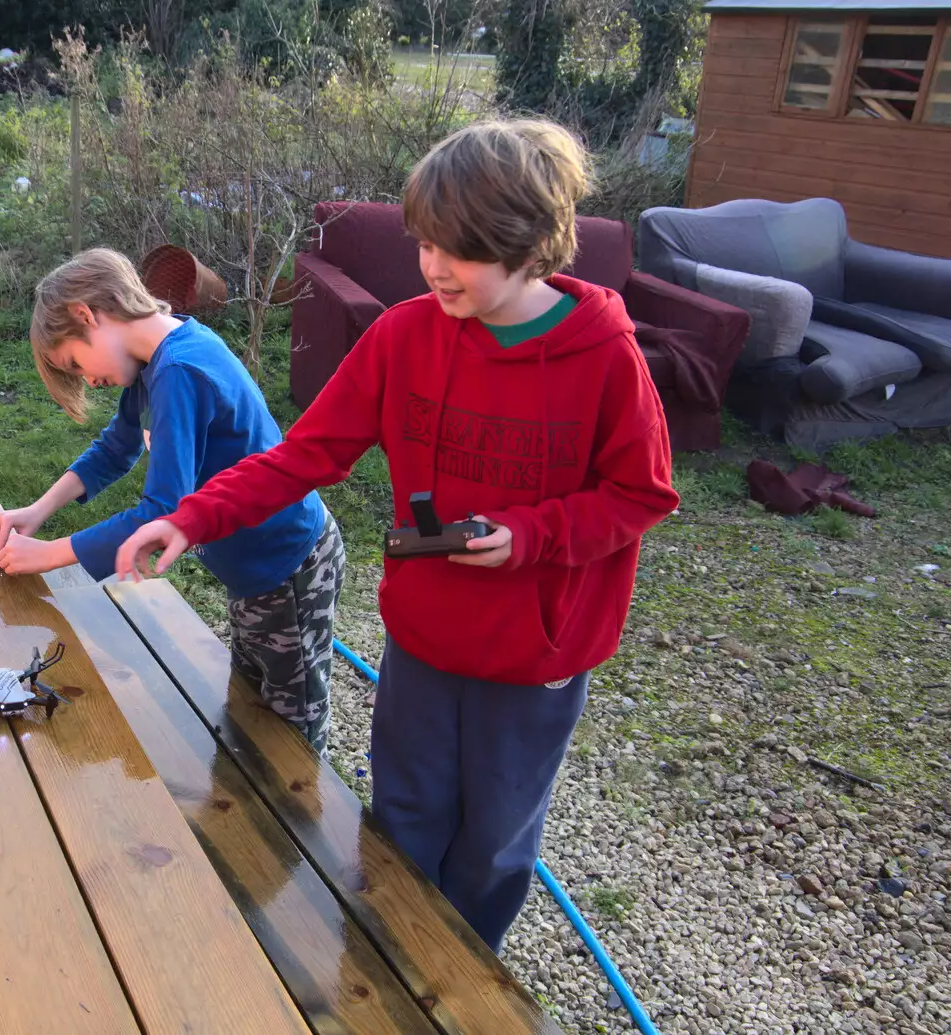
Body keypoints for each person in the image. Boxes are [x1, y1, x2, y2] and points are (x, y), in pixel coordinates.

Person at [114, 120, 679, 952]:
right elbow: (303, 454)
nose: (435, 268)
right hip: (424, 640)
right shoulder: (404, 336)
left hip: (536, 659)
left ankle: (464, 977)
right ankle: (386, 965)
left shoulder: (604, 357)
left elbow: (642, 493)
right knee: (403, 818)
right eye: (426, 245)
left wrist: (530, 535)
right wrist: (189, 515)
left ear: (530, 246)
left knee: (491, 846)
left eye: (463, 252)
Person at [0, 248, 345, 753]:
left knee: (294, 730)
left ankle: (306, 822)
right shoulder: (155, 358)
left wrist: (51, 554)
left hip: (286, 566)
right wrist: (38, 511)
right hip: (251, 569)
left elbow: (162, 511)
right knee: (250, 705)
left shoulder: (179, 371)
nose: (88, 379)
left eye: (75, 361)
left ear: (86, 315)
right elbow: (116, 448)